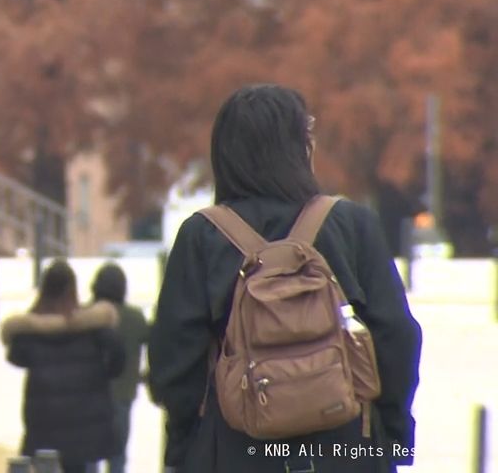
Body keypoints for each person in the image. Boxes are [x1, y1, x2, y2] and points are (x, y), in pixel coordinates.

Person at [148, 84, 422, 473]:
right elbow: (396, 336)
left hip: (232, 452)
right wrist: (389, 439)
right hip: (345, 450)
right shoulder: (351, 224)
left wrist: (182, 450)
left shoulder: (202, 235)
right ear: (299, 148)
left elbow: (174, 362)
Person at [1, 260, 125, 473]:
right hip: (83, 424)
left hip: (43, 422)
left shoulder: (30, 331)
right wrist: (101, 376)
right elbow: (119, 357)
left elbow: (16, 356)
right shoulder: (92, 327)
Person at [87, 263, 149, 473]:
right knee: (118, 457)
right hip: (123, 396)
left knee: (89, 456)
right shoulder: (135, 317)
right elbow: (154, 344)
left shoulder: (86, 315)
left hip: (88, 398)